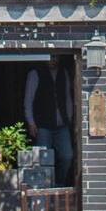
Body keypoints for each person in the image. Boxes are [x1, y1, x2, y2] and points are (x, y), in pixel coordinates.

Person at [23, 57, 76, 188]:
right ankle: (44, 187)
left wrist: (69, 118)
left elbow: (68, 98)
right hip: (43, 124)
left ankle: (59, 182)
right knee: (42, 158)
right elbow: (28, 100)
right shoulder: (35, 73)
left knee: (67, 156)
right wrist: (31, 122)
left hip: (62, 124)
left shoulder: (64, 73)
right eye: (50, 57)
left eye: (55, 57)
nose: (53, 60)